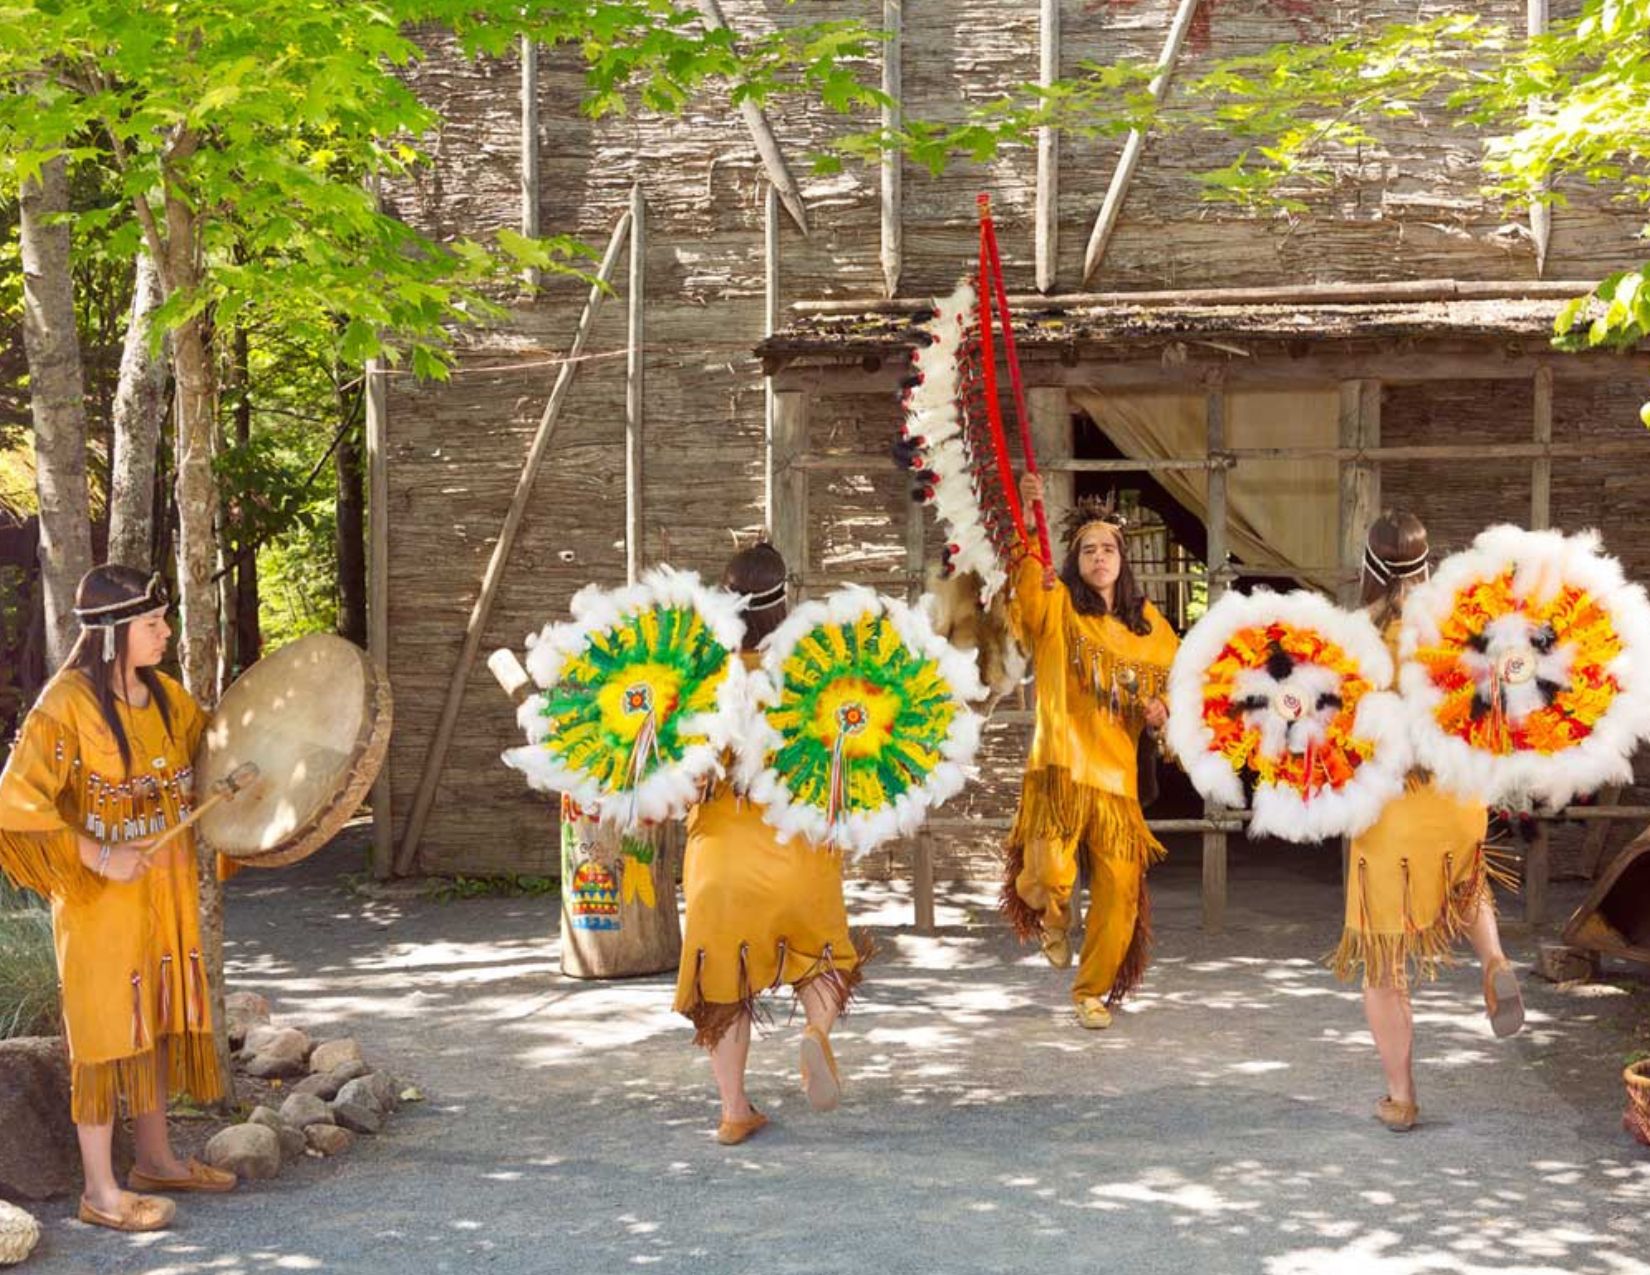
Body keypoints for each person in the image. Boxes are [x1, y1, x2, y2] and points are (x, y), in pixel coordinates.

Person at [0, 566, 237, 1233]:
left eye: (164, 618)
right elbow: (15, 800)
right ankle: (100, 1191)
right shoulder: (64, 704)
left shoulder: (164, 696)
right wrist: (101, 852)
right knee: (105, 1035)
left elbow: (213, 748)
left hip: (164, 891)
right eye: (153, 622)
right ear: (111, 633)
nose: (166, 631)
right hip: (98, 901)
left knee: (155, 1017)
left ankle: (155, 1159)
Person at [671, 544, 871, 1145]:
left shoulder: (701, 677)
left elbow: (674, 777)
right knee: (822, 954)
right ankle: (815, 1034)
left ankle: (734, 1110)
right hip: (798, 843)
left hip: (719, 852)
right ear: (786, 600)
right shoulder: (814, 673)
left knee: (723, 980)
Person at [1336, 511, 1524, 1132]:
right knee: (1464, 880)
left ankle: (1402, 1096)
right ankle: (1494, 960)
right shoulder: (1461, 630)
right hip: (1454, 797)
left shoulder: (1353, 639)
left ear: (1369, 565)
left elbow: (1335, 734)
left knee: (1384, 962)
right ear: (1426, 563)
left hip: (1389, 807)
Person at [1000, 475, 1180, 1029]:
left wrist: (1162, 712)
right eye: (1088, 550)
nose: (1099, 557)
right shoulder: (1058, 608)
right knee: (1048, 877)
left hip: (1116, 781)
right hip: (1061, 768)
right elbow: (1026, 590)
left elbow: (1180, 684)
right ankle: (1051, 914)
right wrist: (1030, 518)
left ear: (1124, 559)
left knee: (1121, 893)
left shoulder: (1151, 626)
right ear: (1074, 560)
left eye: (1108, 549)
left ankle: (1091, 991)